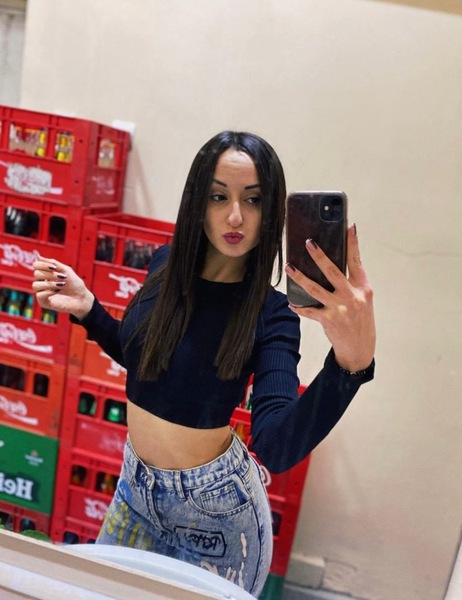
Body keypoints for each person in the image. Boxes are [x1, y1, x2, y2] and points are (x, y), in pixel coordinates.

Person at [32, 131, 375, 597]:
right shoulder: (164, 266)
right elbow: (149, 369)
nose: (235, 216)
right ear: (197, 201)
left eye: (253, 200)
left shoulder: (272, 314)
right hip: (135, 491)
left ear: (270, 212)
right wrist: (90, 310)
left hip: (218, 518)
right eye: (218, 196)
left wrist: (349, 366)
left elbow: (275, 446)